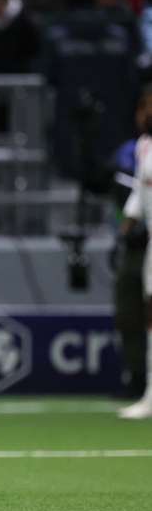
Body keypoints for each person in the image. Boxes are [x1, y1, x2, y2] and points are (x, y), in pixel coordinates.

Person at [119, 94, 152, 419]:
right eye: (143, 108)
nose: (144, 115)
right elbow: (140, 195)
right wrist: (126, 228)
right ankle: (151, 393)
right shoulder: (143, 145)